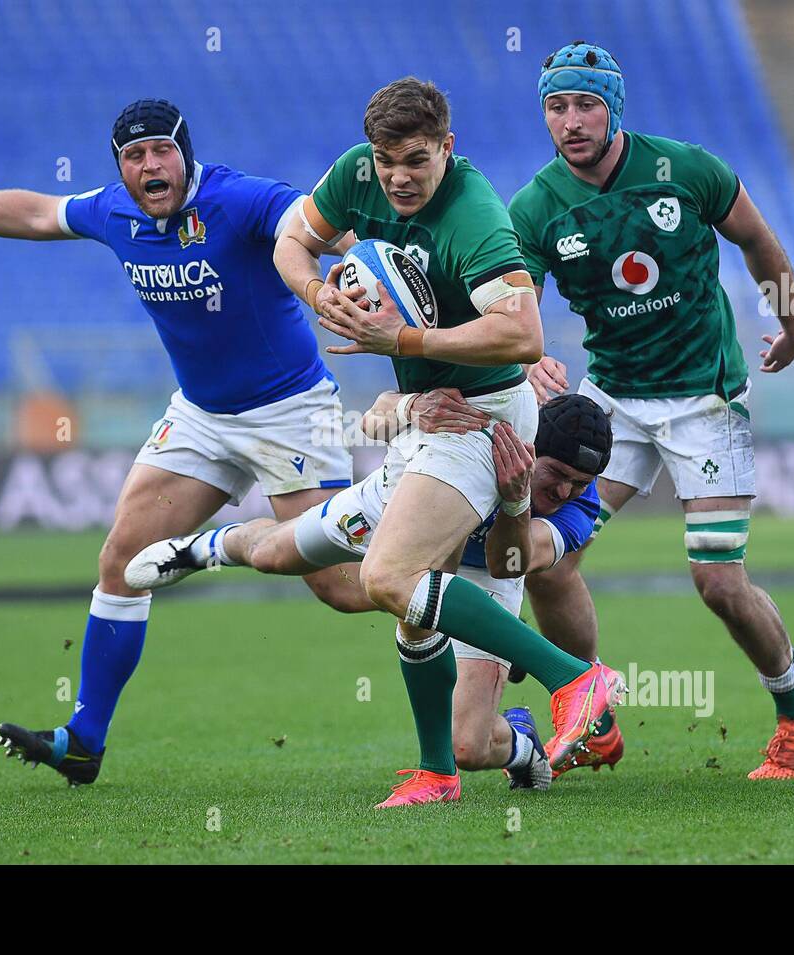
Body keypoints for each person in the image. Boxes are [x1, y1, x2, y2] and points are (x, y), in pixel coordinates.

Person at [0, 98, 370, 785]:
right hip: (200, 415)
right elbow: (38, 212)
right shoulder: (114, 210)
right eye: (134, 156)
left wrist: (360, 258)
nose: (150, 165)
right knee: (123, 560)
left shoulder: (242, 199)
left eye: (162, 150)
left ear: (185, 154)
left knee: (342, 585)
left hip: (290, 411)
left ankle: (468, 609)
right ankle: (84, 739)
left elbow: (307, 222)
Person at [268, 77, 614, 806]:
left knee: (387, 577)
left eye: (417, 161)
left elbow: (525, 334)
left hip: (482, 419)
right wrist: (317, 293)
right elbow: (291, 240)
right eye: (386, 160)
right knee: (407, 596)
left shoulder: (476, 218)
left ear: (447, 149)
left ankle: (573, 677)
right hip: (425, 418)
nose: (398, 177)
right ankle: (438, 773)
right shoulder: (356, 176)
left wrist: (402, 338)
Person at [510, 42, 794, 779]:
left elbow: (755, 238)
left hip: (706, 395)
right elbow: (513, 302)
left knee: (718, 581)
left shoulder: (685, 169)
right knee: (543, 558)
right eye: (557, 106)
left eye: (586, 103)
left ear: (614, 108)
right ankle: (588, 707)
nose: (572, 120)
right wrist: (527, 358)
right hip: (613, 400)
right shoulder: (536, 206)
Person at [130, 392, 625, 791]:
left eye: (579, 483)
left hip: (485, 573)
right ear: (531, 444)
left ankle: (521, 743)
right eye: (557, 475)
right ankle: (203, 548)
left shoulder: (579, 508)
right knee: (270, 556)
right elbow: (374, 418)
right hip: (391, 509)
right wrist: (411, 408)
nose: (565, 492)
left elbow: (507, 562)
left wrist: (517, 503)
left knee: (469, 748)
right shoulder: (490, 420)